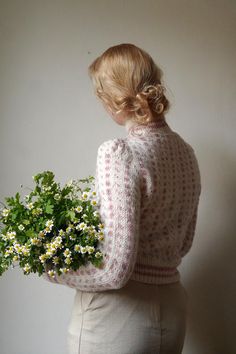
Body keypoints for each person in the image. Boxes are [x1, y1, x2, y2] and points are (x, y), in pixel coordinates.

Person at [43, 43, 201, 354]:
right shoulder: (186, 154)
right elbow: (182, 245)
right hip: (172, 312)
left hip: (116, 319)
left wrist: (52, 268)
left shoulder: (120, 153)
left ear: (116, 99)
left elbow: (114, 270)